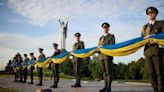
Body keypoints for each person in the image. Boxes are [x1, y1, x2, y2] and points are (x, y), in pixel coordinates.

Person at [141, 6, 164, 92]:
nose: (151, 14)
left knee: (159, 73)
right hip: (147, 52)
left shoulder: (161, 23)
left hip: (157, 51)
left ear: (156, 13)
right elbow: (141, 39)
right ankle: (155, 90)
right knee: (151, 73)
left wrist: (155, 40)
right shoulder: (144, 27)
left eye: (152, 13)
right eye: (149, 13)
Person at [97, 22, 115, 92]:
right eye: (104, 28)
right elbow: (99, 47)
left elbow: (112, 46)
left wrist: (102, 47)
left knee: (108, 72)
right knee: (104, 72)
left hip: (108, 56)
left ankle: (109, 87)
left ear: (108, 28)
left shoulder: (111, 36)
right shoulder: (101, 38)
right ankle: (105, 86)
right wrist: (97, 50)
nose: (105, 29)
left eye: (106, 27)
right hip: (101, 56)